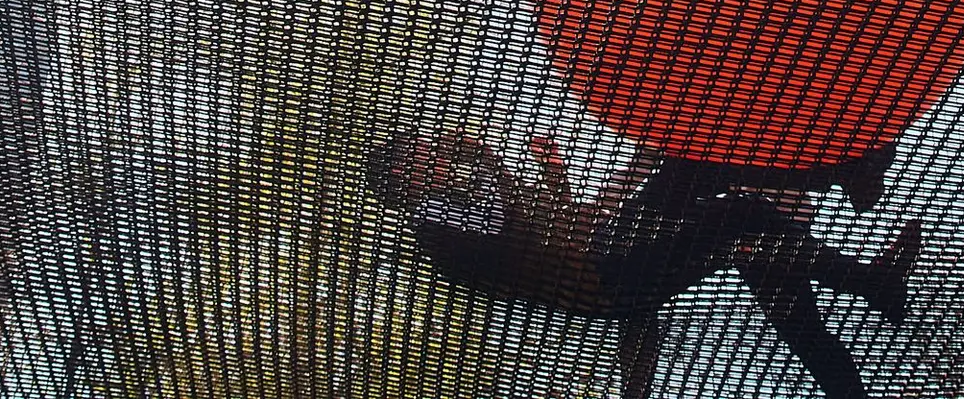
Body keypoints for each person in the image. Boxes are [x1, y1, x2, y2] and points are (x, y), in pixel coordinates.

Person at [367, 132, 919, 399]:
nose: (431, 160)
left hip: (612, 248)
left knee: (700, 176)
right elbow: (526, 262)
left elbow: (565, 222)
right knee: (739, 215)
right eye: (414, 164)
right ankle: (870, 276)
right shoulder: (439, 229)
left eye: (425, 151)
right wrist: (479, 163)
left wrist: (554, 178)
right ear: (403, 188)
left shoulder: (482, 189)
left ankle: (849, 201)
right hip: (611, 280)